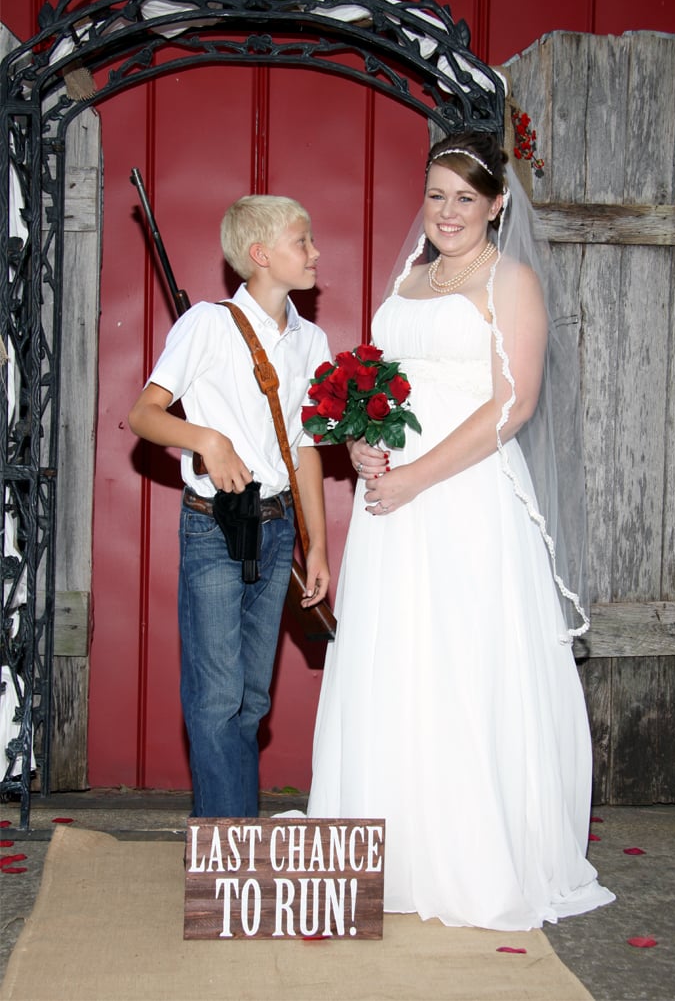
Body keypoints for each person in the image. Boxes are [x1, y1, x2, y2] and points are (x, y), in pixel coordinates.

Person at [306, 131, 615, 930]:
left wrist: (415, 475)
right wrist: (360, 437)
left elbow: (511, 407)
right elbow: (379, 381)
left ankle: (472, 853)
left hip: (465, 498)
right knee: (393, 658)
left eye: (465, 199)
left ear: (497, 204)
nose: (446, 212)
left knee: (460, 659)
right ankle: (393, 846)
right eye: (436, 194)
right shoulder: (411, 278)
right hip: (392, 509)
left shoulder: (508, 282)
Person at [128, 195, 331, 818]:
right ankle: (227, 848)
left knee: (250, 700)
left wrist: (317, 543)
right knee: (216, 700)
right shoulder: (207, 326)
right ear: (261, 255)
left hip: (274, 535)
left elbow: (304, 448)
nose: (316, 251)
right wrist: (205, 439)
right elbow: (143, 415)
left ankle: (227, 835)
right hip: (215, 527)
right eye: (303, 241)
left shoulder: (311, 339)